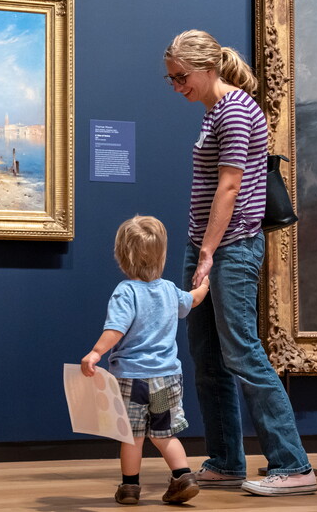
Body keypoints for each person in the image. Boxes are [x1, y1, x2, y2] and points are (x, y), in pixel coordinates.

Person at [163, 29, 317, 497]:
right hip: (206, 244)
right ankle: (227, 460)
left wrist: (208, 252)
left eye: (181, 77)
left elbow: (229, 188)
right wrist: (200, 246)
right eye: (170, 79)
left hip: (229, 248)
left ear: (207, 68)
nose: (176, 86)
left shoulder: (236, 110)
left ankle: (294, 465)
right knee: (208, 357)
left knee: (243, 353)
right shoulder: (215, 111)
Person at [80, 215, 211, 505]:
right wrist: (204, 284)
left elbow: (115, 329)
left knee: (132, 436)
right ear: (162, 255)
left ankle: (129, 488)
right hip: (164, 382)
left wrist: (96, 352)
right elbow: (194, 299)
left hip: (132, 382)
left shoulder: (125, 292)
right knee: (163, 433)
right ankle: (184, 475)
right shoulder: (168, 290)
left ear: (121, 256)